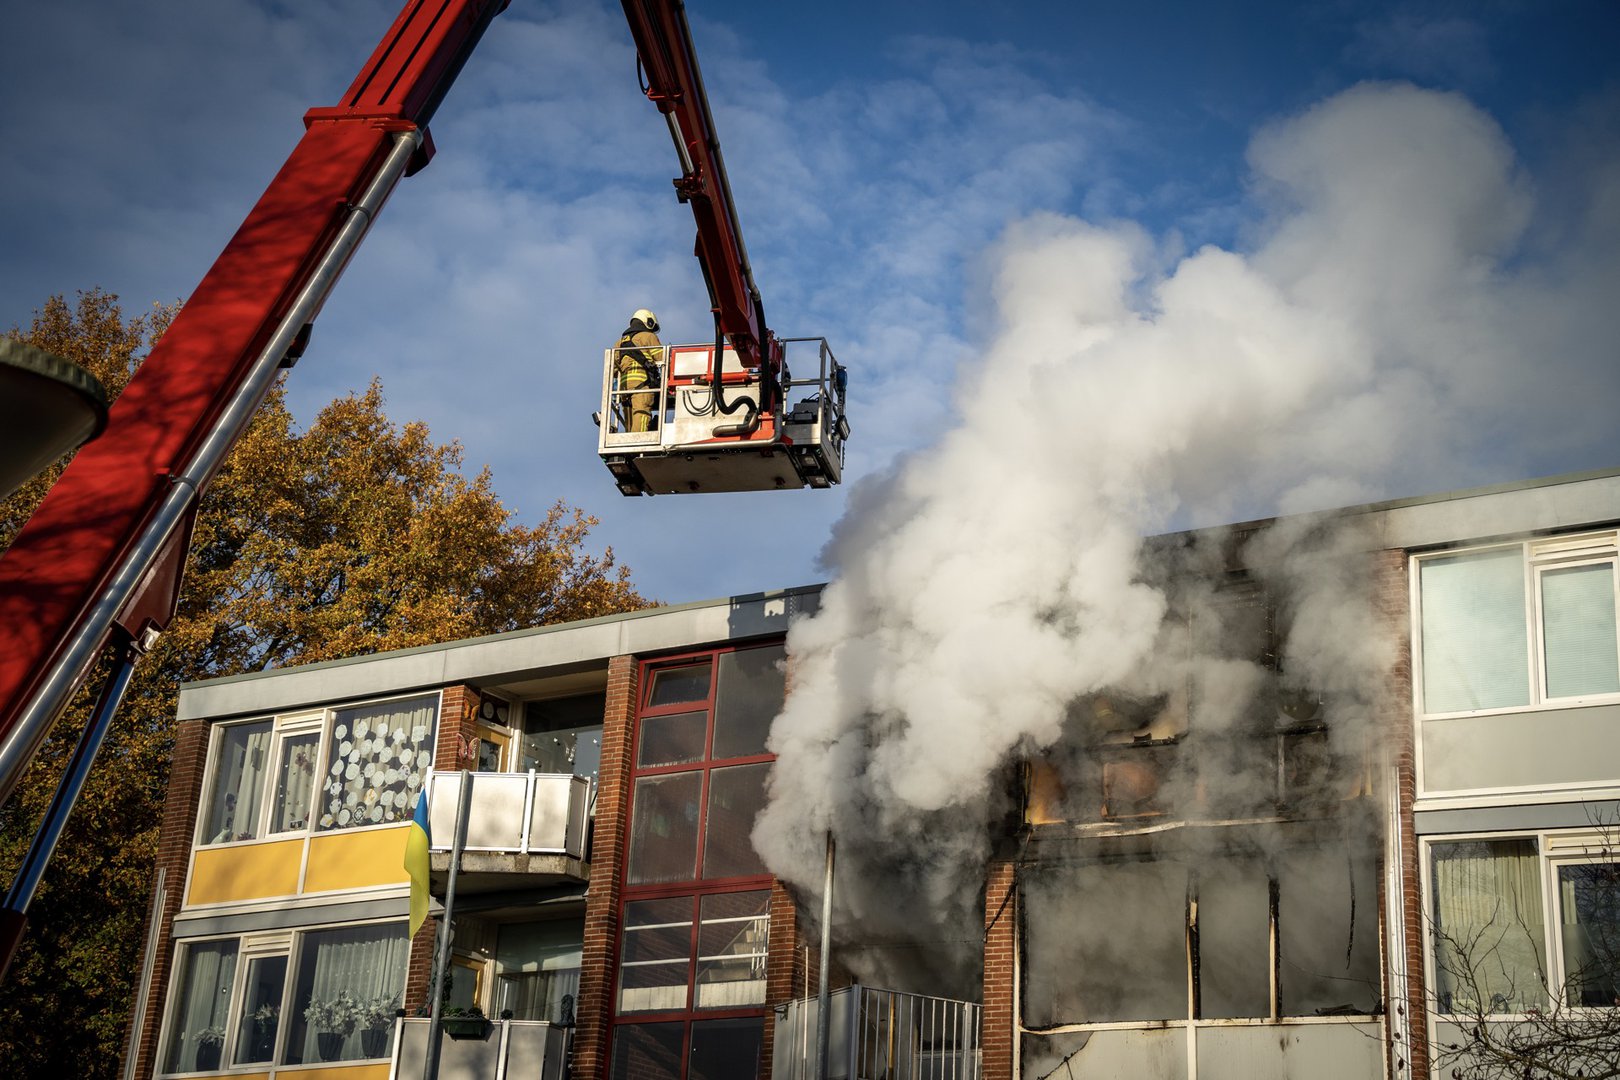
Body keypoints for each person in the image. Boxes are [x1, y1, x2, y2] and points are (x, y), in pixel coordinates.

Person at [614, 309, 663, 433]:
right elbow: (662, 359)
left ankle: (629, 446)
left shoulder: (619, 343)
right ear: (648, 321)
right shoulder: (649, 336)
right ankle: (638, 445)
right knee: (642, 414)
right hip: (642, 385)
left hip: (624, 389)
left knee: (629, 423)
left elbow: (613, 370)